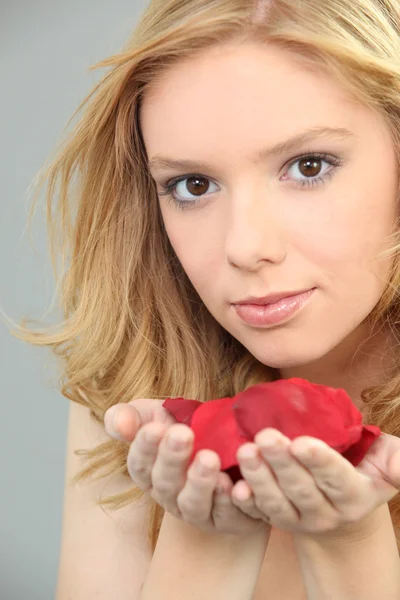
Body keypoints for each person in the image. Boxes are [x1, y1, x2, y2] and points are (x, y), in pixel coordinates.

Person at [14, 0, 400, 597]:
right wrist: (205, 539)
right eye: (192, 186)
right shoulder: (135, 403)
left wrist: (349, 547)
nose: (245, 247)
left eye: (309, 166)